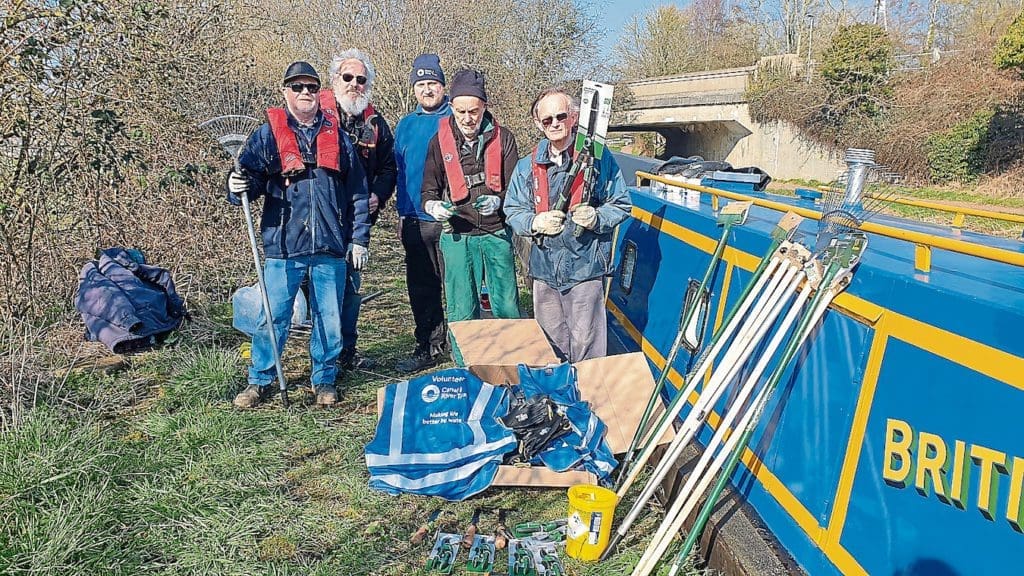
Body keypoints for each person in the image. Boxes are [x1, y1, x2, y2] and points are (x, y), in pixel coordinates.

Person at [226, 61, 370, 408]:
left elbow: (358, 192)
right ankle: (260, 378)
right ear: (285, 92)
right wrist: (235, 187)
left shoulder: (337, 136)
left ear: (319, 92)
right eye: (297, 87)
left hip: (331, 246)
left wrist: (359, 238)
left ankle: (324, 379)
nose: (304, 93)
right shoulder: (267, 135)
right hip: (283, 245)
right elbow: (249, 182)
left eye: (310, 87)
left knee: (329, 319)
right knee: (272, 316)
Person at [504, 87, 631, 363]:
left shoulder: (599, 160)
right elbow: (512, 210)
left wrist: (597, 218)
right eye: (547, 119)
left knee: (588, 347)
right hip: (544, 270)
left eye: (561, 116)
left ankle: (588, 402)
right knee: (550, 348)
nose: (555, 124)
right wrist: (535, 221)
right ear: (538, 123)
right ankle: (557, 401)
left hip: (585, 269)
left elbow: (621, 204)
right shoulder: (527, 167)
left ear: (574, 117)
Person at [420, 68, 521, 341]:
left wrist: (498, 202)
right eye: (461, 111)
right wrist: (434, 207)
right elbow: (427, 192)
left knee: (507, 306)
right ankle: (466, 368)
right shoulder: (438, 143)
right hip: (457, 234)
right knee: (462, 308)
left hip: (496, 233)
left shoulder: (505, 139)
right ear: (451, 107)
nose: (468, 118)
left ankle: (512, 364)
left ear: (484, 107)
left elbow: (516, 191)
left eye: (474, 111)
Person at [328, 48, 397, 371]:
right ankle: (322, 357)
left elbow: (389, 168)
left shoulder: (376, 123)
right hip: (320, 222)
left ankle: (347, 351)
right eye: (347, 77)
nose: (354, 84)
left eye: (361, 79)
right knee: (320, 290)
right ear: (334, 80)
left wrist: (378, 195)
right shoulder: (318, 116)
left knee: (351, 290)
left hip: (358, 221)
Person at [392, 54, 451, 372]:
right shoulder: (406, 125)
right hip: (415, 219)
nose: (427, 90)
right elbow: (400, 173)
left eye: (433, 84)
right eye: (422, 84)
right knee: (421, 286)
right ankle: (428, 344)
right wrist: (402, 214)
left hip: (451, 221)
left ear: (443, 86)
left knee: (456, 284)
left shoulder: (457, 117)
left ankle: (459, 343)